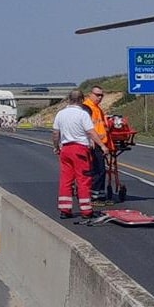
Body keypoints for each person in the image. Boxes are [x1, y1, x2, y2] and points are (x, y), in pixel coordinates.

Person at [51, 89, 104, 219]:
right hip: (80, 149)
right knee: (83, 180)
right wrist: (102, 145)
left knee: (66, 180)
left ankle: (65, 210)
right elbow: (91, 132)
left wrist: (56, 147)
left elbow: (55, 133)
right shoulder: (83, 114)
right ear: (81, 100)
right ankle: (86, 211)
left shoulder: (60, 114)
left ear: (69, 99)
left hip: (65, 149)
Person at [82, 86, 114, 204]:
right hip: (94, 143)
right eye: (97, 95)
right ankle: (94, 196)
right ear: (90, 94)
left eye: (101, 95)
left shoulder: (97, 108)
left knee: (101, 170)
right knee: (98, 170)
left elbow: (100, 125)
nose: (99, 97)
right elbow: (87, 127)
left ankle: (100, 194)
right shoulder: (86, 108)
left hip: (100, 143)